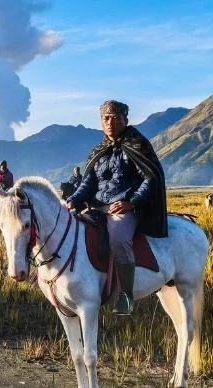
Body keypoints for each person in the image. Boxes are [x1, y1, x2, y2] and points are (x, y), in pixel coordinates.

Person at [66, 100, 168, 316]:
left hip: (125, 208)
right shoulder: (99, 150)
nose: (110, 122)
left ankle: (126, 297)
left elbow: (150, 178)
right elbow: (88, 183)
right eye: (106, 118)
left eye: (115, 118)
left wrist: (131, 202)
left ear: (125, 120)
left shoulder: (138, 145)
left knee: (119, 240)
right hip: (96, 208)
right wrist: (74, 199)